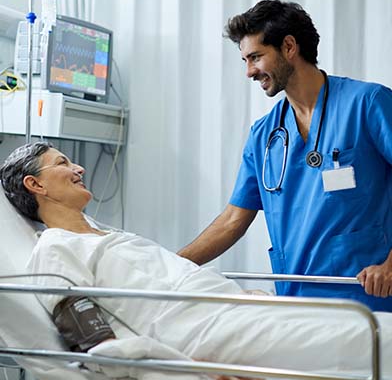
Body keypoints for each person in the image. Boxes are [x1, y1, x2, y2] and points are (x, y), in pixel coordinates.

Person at [1, 142, 392, 380]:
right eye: (63, 163)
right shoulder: (54, 248)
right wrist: (178, 369)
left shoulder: (112, 236)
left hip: (233, 309)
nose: (79, 168)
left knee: (366, 327)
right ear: (35, 185)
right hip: (205, 329)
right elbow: (91, 335)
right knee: (370, 338)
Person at [177, 0, 392, 312]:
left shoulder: (368, 104)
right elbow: (232, 221)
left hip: (366, 300)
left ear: (289, 47)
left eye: (256, 57)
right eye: (245, 60)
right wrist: (169, 265)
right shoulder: (264, 135)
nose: (249, 71)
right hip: (295, 304)